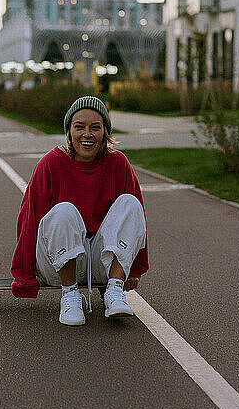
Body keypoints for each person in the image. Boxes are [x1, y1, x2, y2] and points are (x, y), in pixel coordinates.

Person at [10, 95, 149, 326]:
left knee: (130, 203)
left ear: (105, 132)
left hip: (100, 262)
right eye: (79, 127)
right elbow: (29, 219)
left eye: (95, 127)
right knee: (63, 210)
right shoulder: (50, 163)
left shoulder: (118, 163)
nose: (87, 134)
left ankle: (114, 290)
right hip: (56, 264)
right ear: (69, 131)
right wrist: (24, 277)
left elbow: (137, 218)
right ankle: (70, 295)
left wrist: (134, 270)